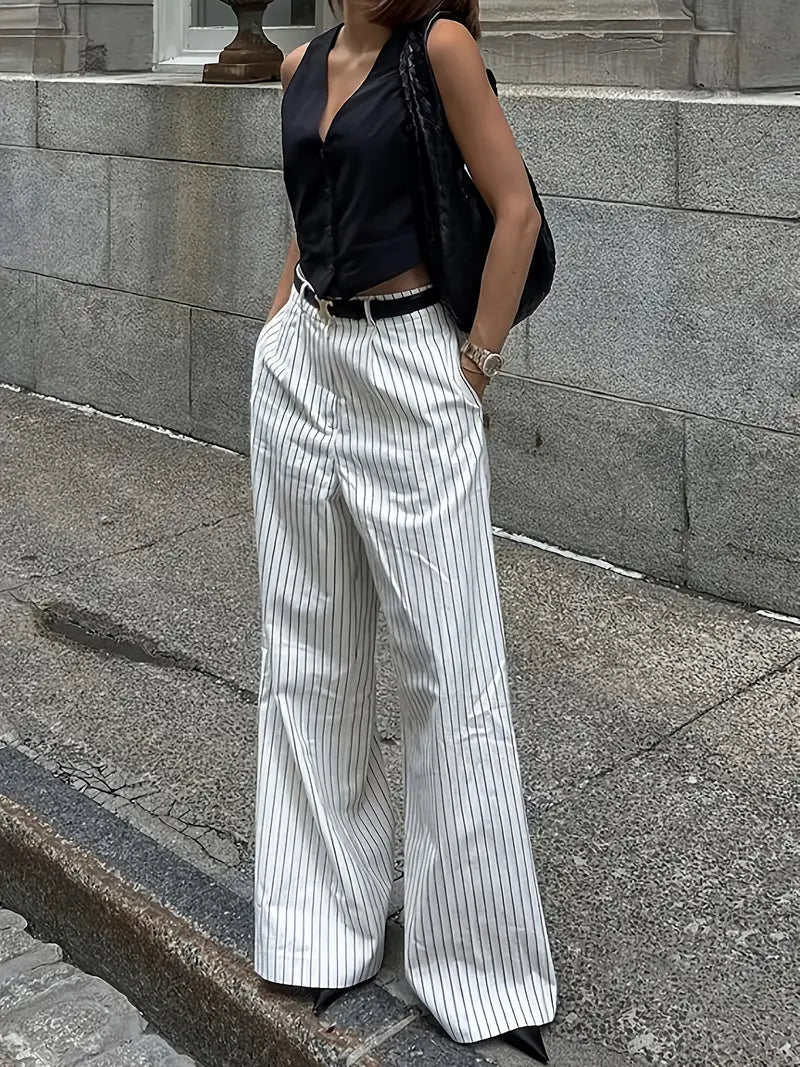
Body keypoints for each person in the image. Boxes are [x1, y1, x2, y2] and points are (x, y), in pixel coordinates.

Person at [249, 0, 557, 1060]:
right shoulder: (298, 61)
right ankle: (315, 924)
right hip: (302, 367)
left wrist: (472, 369)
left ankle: (483, 969)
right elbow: (310, 210)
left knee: (448, 667)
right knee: (307, 653)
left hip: (411, 367)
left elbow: (515, 212)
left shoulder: (440, 47)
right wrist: (276, 326)